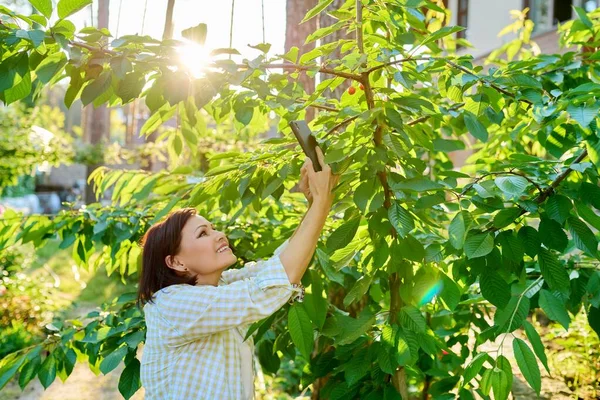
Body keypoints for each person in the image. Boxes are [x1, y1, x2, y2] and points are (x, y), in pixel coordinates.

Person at [137, 147, 340, 400]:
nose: (219, 235)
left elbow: (275, 269)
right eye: (203, 233)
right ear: (176, 262)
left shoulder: (219, 287)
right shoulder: (172, 304)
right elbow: (276, 283)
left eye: (213, 229)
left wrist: (315, 205)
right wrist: (321, 203)